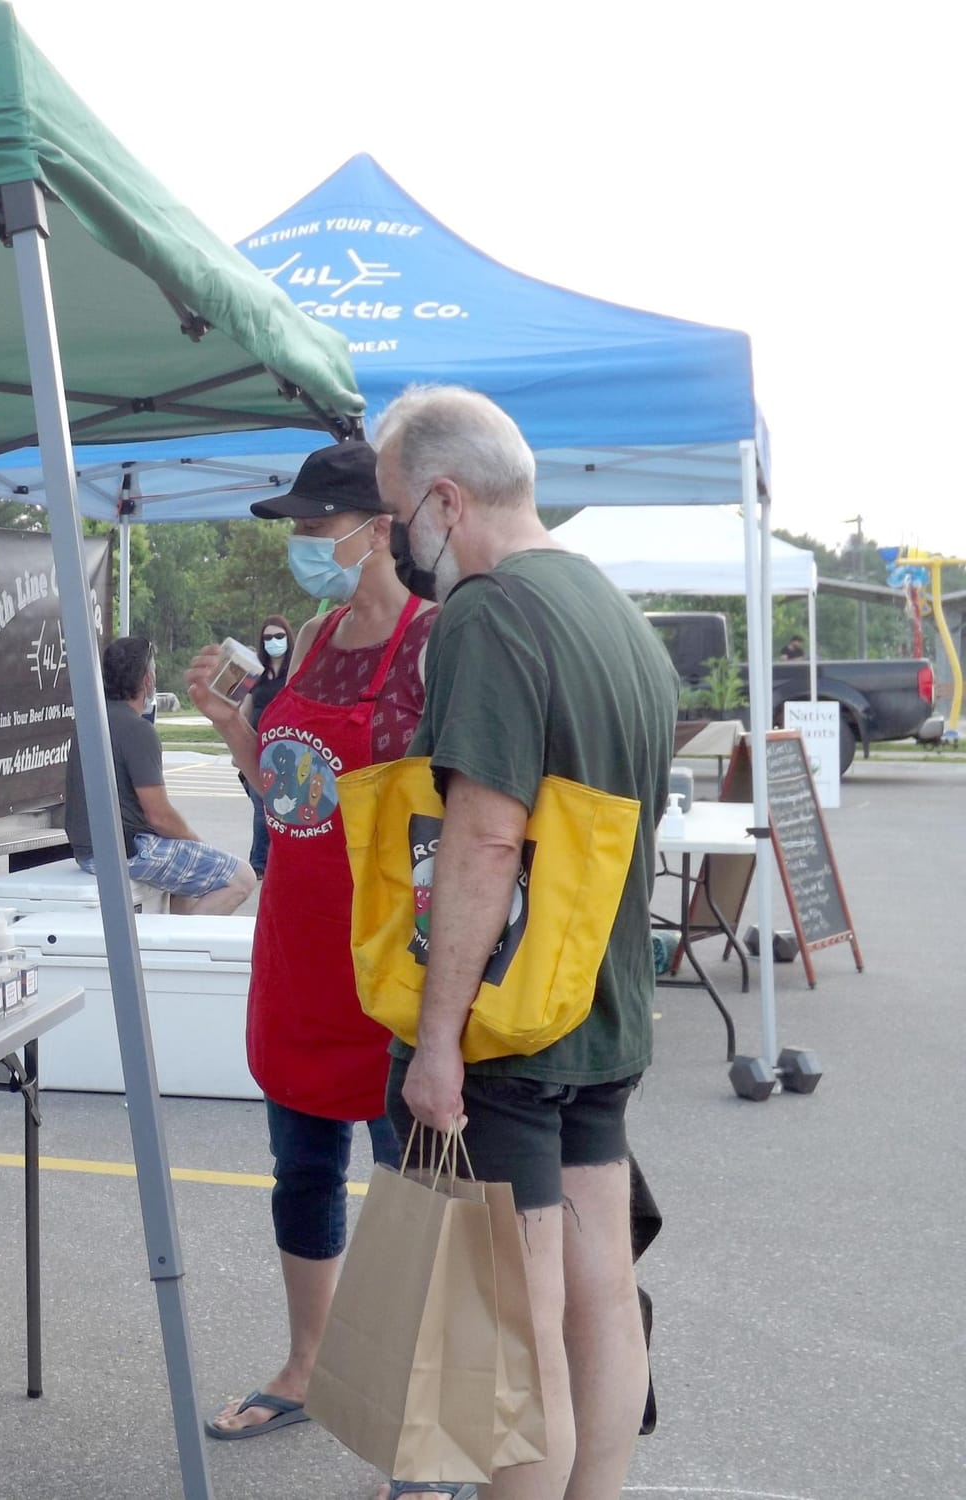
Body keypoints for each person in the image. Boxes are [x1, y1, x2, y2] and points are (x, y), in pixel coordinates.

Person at [373, 386, 676, 1500]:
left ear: (446, 501)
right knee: (599, 1293)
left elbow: (485, 834)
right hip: (601, 1007)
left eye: (397, 511)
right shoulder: (609, 608)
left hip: (509, 1018)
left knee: (516, 1323)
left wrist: (436, 1040)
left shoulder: (489, 613)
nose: (396, 536)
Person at [187, 440, 436, 1447]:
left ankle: (421, 1416)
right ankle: (308, 1365)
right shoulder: (318, 635)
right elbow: (288, 796)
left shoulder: (434, 644)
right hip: (296, 953)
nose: (300, 542)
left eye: (314, 525)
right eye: (294, 526)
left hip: (388, 962)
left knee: (412, 1197)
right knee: (301, 1173)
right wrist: (232, 731)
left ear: (379, 528)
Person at [66, 636, 255, 915]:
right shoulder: (138, 730)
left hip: (87, 852)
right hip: (129, 851)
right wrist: (197, 843)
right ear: (147, 680)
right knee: (243, 878)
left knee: (186, 879)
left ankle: (175, 932)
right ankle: (185, 941)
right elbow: (159, 816)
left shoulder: (91, 722)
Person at [240, 613, 296, 878]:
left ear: (288, 638)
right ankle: (259, 863)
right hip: (257, 747)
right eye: (268, 637)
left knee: (283, 808)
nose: (274, 641)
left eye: (279, 636)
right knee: (261, 807)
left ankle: (281, 859)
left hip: (286, 748)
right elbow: (244, 709)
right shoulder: (257, 673)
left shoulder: (295, 670)